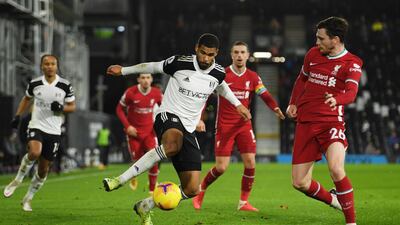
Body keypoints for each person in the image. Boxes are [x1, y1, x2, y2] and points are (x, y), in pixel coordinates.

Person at [103, 33, 251, 225]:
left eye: (211, 55)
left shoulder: (218, 72)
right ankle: (120, 180)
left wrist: (238, 105)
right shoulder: (179, 62)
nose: (206, 58)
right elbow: (152, 66)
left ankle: (145, 206)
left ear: (217, 53)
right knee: (172, 145)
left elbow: (222, 87)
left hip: (188, 128)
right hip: (168, 116)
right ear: (197, 48)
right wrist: (123, 70)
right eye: (203, 53)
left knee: (192, 189)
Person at [286, 17, 362, 225]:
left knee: (336, 169)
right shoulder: (312, 54)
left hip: (331, 123)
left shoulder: (352, 63)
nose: (316, 42)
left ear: (335, 40)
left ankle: (351, 222)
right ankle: (334, 200)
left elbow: (351, 93)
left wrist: (336, 99)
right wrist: (294, 102)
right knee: (300, 182)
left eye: (321, 38)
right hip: (306, 122)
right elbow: (302, 79)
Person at [192, 41, 285, 211]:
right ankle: (201, 190)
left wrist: (275, 108)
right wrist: (199, 118)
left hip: (244, 125)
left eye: (243, 52)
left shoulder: (253, 77)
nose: (240, 55)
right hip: (224, 126)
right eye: (236, 52)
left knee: (250, 162)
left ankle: (243, 202)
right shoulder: (222, 74)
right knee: (221, 167)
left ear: (248, 55)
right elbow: (204, 96)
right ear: (231, 55)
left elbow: (264, 95)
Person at [3, 54, 76, 211]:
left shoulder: (65, 85)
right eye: (46, 64)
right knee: (35, 152)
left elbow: (72, 106)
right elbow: (26, 99)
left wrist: (62, 108)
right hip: (37, 126)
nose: (49, 66)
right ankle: (17, 180)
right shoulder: (35, 83)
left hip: (54, 131)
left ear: (57, 66)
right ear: (41, 66)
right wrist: (17, 116)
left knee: (43, 170)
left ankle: (28, 198)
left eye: (52, 63)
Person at [115, 73, 162, 192]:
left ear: (151, 79)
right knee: (137, 160)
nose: (145, 80)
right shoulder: (131, 92)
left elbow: (166, 107)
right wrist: (128, 126)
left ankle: (152, 191)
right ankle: (133, 176)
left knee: (154, 159)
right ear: (138, 79)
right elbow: (119, 109)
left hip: (150, 133)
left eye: (148, 77)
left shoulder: (157, 93)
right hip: (134, 134)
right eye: (143, 78)